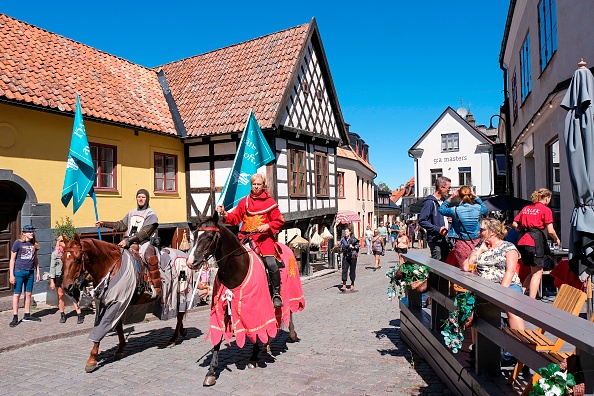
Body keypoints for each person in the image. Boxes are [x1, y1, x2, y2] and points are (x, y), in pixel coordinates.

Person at [217, 174, 285, 308]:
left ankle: (276, 293)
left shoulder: (270, 203)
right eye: (254, 184)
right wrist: (225, 214)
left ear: (263, 185)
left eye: (259, 184)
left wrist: (268, 226)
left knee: (271, 263)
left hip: (263, 239)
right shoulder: (245, 201)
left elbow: (279, 220)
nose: (256, 186)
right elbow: (235, 218)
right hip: (245, 237)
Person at [462, 218, 525, 364]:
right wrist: (479, 251)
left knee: (512, 310)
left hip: (507, 286)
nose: (479, 232)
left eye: (482, 230)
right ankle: (478, 350)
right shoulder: (480, 245)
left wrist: (500, 292)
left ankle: (518, 352)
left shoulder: (509, 247)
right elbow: (466, 267)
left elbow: (510, 272)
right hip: (484, 287)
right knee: (474, 310)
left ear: (492, 232)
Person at [96, 189, 161, 297]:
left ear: (147, 199)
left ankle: (155, 287)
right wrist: (104, 224)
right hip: (129, 242)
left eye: (143, 197)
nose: (140, 199)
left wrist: (128, 240)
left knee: (149, 257)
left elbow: (144, 233)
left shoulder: (151, 214)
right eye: (139, 197)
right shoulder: (132, 212)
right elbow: (121, 225)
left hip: (145, 242)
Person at [512, 188, 561, 299]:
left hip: (522, 240)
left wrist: (522, 229)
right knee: (538, 272)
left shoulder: (526, 208)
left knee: (533, 271)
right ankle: (531, 301)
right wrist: (556, 239)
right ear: (547, 198)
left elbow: (515, 224)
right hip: (534, 241)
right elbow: (550, 230)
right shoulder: (545, 210)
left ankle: (521, 295)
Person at [439, 186, 488, 268]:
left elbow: (441, 209)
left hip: (461, 242)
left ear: (459, 196)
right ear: (471, 195)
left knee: (463, 268)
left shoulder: (454, 210)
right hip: (476, 242)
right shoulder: (478, 208)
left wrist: (451, 197)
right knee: (476, 267)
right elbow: (485, 208)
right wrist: (476, 197)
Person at [9, 225, 41, 327]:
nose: (31, 233)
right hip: (19, 271)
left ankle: (27, 314)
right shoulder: (17, 243)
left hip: (30, 272)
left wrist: (38, 272)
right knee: (17, 294)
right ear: (24, 233)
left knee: (28, 294)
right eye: (29, 231)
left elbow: (35, 259)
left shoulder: (33, 244)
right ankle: (15, 316)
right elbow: (12, 259)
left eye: (32, 231)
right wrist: (11, 275)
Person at [50, 235, 84, 324]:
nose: (63, 242)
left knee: (73, 296)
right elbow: (52, 267)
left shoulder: (69, 252)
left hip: (68, 276)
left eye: (64, 241)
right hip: (58, 276)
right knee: (60, 296)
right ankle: (62, 314)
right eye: (61, 241)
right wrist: (51, 280)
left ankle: (79, 314)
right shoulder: (55, 254)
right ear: (58, 242)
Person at [419, 176, 452, 261]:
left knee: (446, 265)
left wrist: (449, 221)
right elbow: (422, 220)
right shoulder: (430, 202)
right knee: (437, 265)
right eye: (448, 188)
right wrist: (438, 229)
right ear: (441, 188)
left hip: (445, 238)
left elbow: (442, 218)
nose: (449, 190)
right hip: (436, 240)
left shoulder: (444, 202)